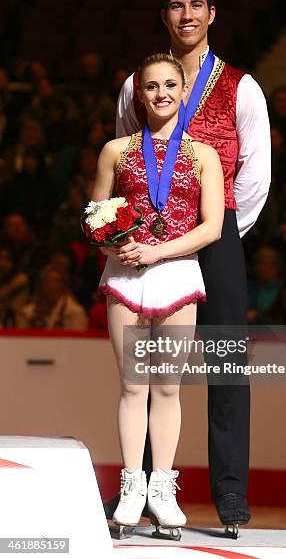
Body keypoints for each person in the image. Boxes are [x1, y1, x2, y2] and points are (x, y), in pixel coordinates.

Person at [113, 0, 271, 534]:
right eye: (176, 6)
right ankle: (147, 483)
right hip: (152, 237)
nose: (187, 15)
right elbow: (126, 164)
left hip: (216, 232)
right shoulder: (139, 84)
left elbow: (256, 173)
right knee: (151, 365)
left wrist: (223, 230)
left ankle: (229, 493)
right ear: (164, 16)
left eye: (197, 5)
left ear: (212, 14)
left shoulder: (241, 85)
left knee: (226, 359)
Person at [91, 53, 224, 538]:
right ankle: (131, 485)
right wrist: (116, 244)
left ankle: (162, 489)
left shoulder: (203, 155)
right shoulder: (115, 150)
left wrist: (157, 252)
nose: (162, 93)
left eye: (171, 84)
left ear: (184, 91)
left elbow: (211, 227)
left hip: (177, 276)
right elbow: (96, 217)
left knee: (167, 387)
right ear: (139, 94)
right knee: (132, 386)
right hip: (126, 275)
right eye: (151, 86)